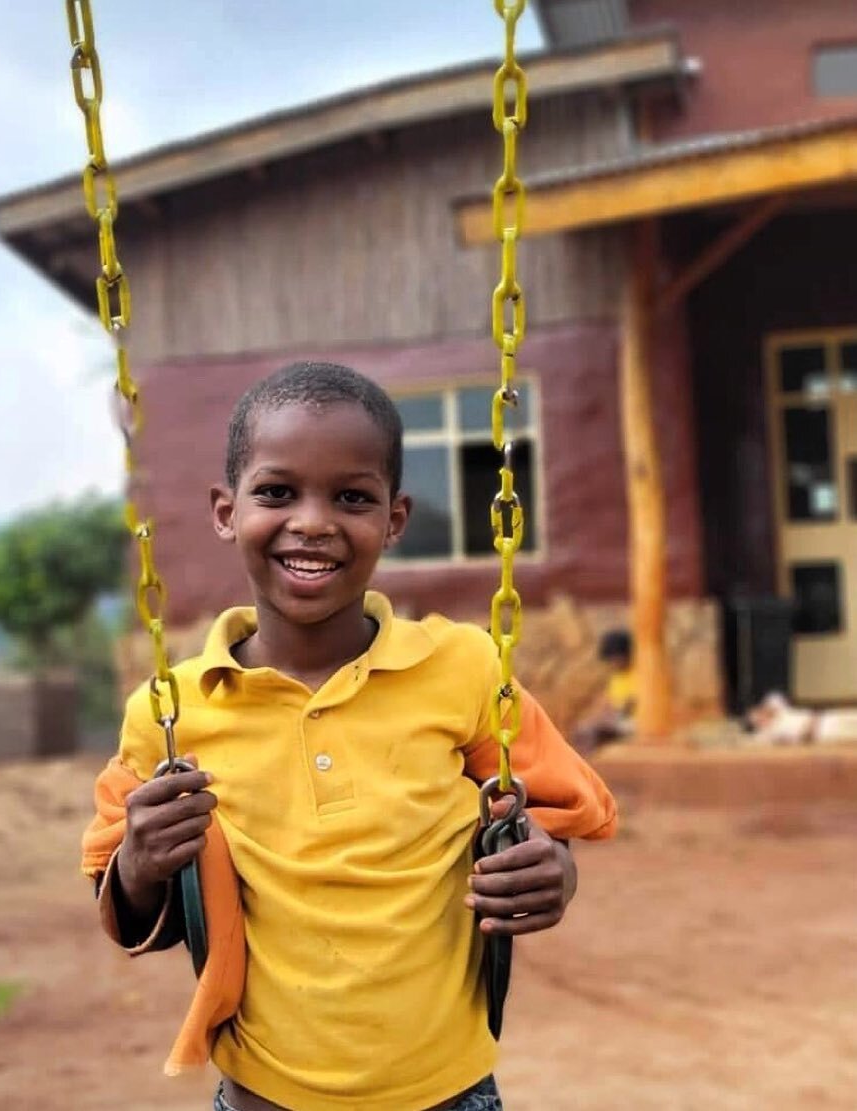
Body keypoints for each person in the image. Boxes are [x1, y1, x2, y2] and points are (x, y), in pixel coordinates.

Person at [83, 363, 618, 1111]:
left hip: (448, 1095)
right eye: (277, 491)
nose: (312, 521)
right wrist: (141, 860)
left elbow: (557, 811)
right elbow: (125, 898)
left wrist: (549, 870)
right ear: (225, 510)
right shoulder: (171, 711)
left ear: (394, 519)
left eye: (352, 497)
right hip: (264, 1098)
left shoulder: (461, 669)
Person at [570, 629, 636, 757]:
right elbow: (610, 704)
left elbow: (629, 706)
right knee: (582, 730)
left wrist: (615, 714)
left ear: (626, 655)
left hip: (634, 724)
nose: (612, 663)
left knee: (592, 733)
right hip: (619, 721)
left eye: (615, 658)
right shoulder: (617, 678)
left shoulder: (641, 674)